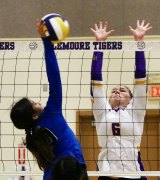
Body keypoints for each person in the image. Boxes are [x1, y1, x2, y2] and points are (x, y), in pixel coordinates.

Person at [10, 19, 88, 180]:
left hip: (51, 175)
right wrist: (46, 41)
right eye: (33, 104)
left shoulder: (32, 136)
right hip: (74, 168)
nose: (37, 102)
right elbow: (54, 77)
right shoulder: (52, 112)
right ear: (34, 116)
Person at [90, 20, 152, 180]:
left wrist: (139, 43)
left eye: (122, 90)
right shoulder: (102, 112)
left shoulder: (135, 112)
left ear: (131, 99)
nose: (117, 91)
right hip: (106, 174)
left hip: (134, 173)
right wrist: (99, 46)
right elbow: (96, 80)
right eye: (113, 91)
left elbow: (140, 76)